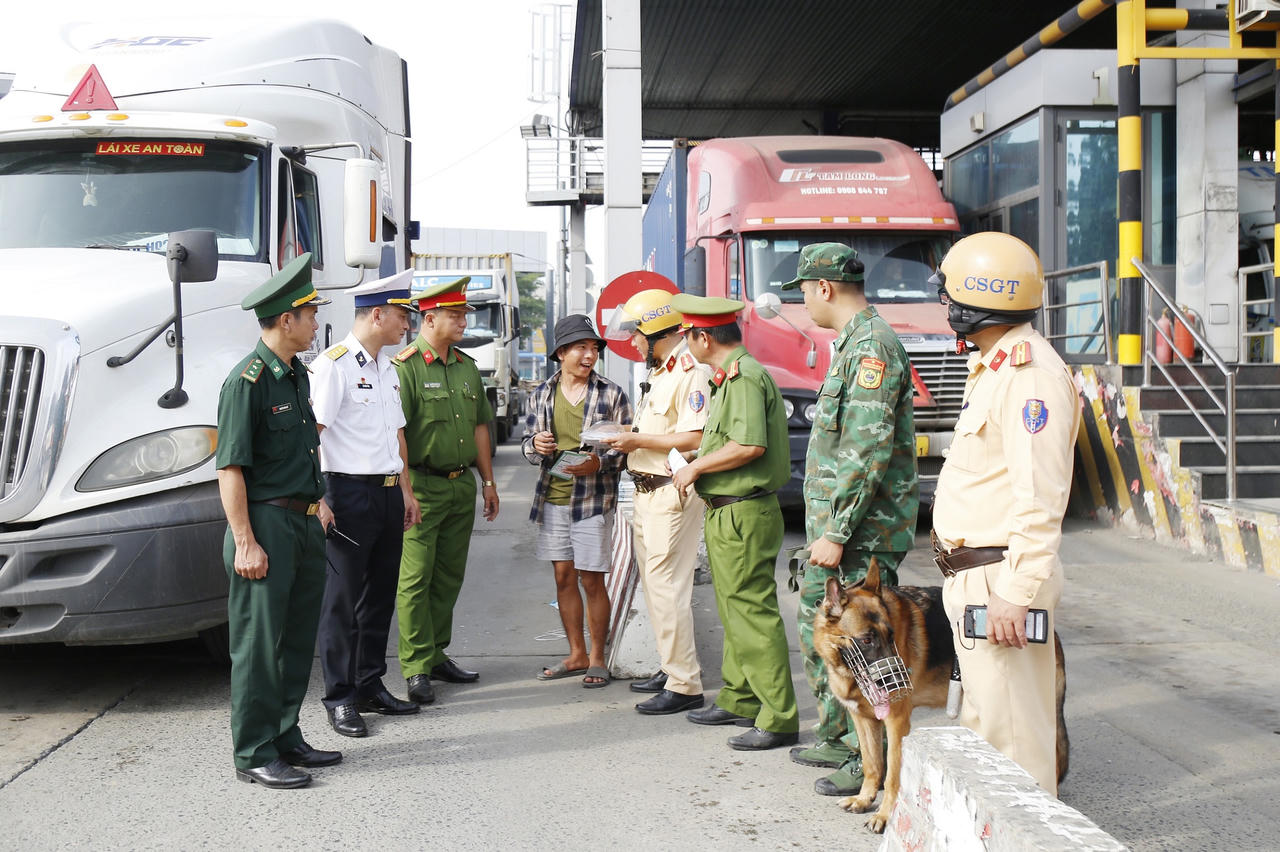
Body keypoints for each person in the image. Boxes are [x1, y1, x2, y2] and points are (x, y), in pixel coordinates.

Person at [929, 232, 1080, 795]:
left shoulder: (1029, 375)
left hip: (999, 580)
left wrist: (1016, 592)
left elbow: (1040, 497)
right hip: (977, 578)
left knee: (1014, 744)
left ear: (975, 299)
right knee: (986, 728)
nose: (944, 306)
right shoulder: (996, 366)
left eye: (948, 295)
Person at [780, 243, 919, 795]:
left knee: (871, 647)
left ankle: (877, 764)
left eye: (805, 291)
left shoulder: (872, 349)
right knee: (824, 631)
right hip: (841, 529)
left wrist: (836, 532)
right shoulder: (852, 345)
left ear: (825, 288)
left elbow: (866, 451)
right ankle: (841, 737)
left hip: (862, 532)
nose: (804, 303)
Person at [215, 252, 339, 789]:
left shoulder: (295, 376)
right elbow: (231, 469)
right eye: (310, 313)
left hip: (304, 522)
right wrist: (245, 541)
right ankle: (254, 751)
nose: (315, 323)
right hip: (264, 526)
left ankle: (286, 734)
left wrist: (320, 502)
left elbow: (303, 452)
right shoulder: (246, 383)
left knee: (294, 639)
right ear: (286, 319)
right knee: (259, 645)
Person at [669, 293, 799, 751]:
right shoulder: (729, 378)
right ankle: (740, 696)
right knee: (733, 609)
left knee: (752, 613)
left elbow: (748, 446)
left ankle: (778, 715)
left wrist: (696, 468)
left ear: (703, 337)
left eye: (687, 336)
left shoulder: (744, 378)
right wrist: (698, 458)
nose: (686, 344)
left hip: (743, 510)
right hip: (730, 510)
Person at [310, 268, 423, 738]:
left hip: (386, 492)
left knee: (378, 596)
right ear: (377, 314)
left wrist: (407, 490)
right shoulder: (332, 366)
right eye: (402, 316)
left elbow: (394, 436)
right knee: (341, 601)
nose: (407, 326)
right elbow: (310, 438)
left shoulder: (387, 369)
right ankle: (339, 697)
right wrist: (318, 499)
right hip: (347, 492)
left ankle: (369, 683)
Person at [601, 288, 711, 715]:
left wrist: (636, 439)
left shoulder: (689, 371)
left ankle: (685, 684)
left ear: (655, 332)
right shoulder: (662, 371)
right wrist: (627, 433)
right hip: (646, 491)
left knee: (668, 589)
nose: (632, 343)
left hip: (671, 492)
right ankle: (672, 666)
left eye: (637, 335)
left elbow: (696, 437)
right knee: (655, 588)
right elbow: (660, 429)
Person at [394, 276, 499, 706]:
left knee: (449, 576)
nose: (462, 322)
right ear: (429, 317)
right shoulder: (406, 367)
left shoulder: (466, 366)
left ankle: (437, 654)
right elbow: (396, 434)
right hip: (423, 484)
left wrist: (488, 482)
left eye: (463, 315)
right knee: (416, 578)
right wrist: (405, 491)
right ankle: (416, 666)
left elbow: (479, 427)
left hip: (460, 487)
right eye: (455, 315)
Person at [523, 315, 632, 689]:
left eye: (594, 349)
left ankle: (598, 658)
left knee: (591, 578)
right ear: (561, 353)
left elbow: (628, 448)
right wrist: (535, 446)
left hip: (593, 501)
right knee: (563, 576)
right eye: (581, 348)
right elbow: (527, 444)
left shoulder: (612, 394)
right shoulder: (540, 394)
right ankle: (576, 653)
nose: (590, 355)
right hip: (553, 499)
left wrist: (598, 462)